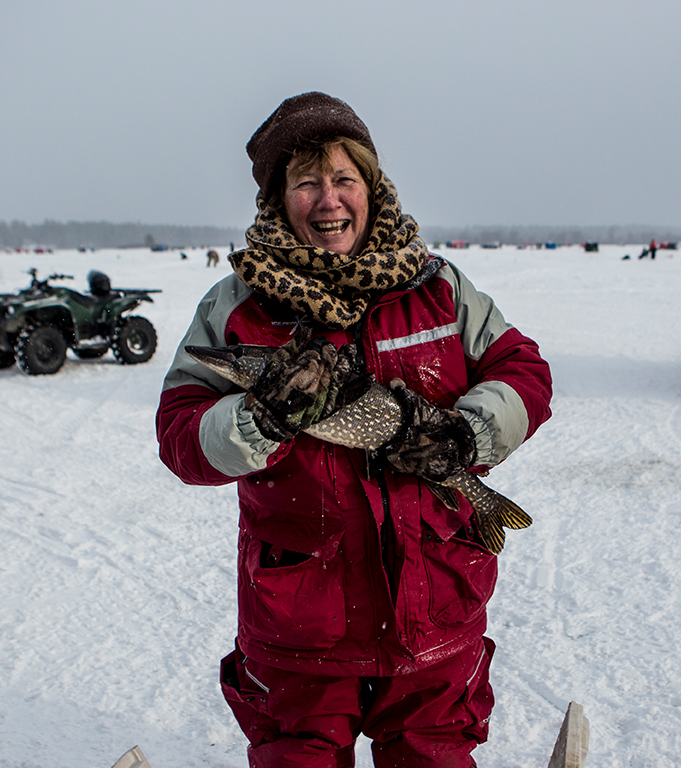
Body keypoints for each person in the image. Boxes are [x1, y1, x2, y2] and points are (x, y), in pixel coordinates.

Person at [156, 92, 553, 767]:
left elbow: (524, 370)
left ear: (371, 187)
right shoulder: (236, 309)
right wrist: (261, 418)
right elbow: (180, 436)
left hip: (435, 608)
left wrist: (464, 435)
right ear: (279, 198)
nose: (328, 199)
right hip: (300, 624)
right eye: (307, 181)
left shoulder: (439, 287)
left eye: (343, 178)